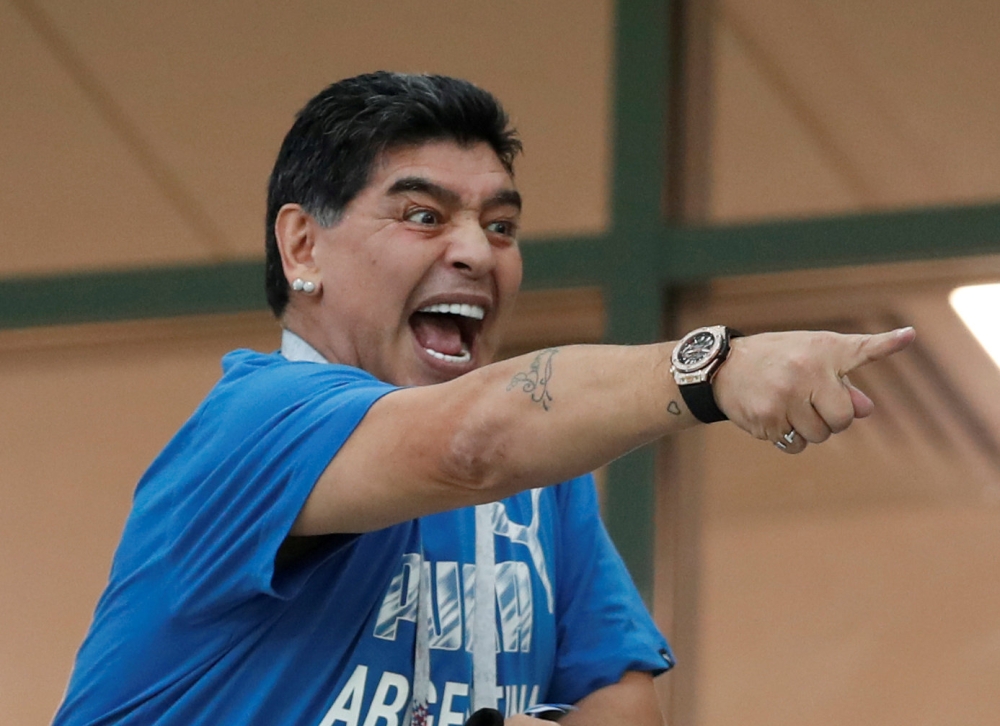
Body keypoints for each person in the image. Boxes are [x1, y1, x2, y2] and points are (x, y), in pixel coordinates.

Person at [53, 72, 914, 726]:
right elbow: (473, 442)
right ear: (302, 244)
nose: (477, 251)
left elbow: (621, 694)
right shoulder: (254, 423)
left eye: (501, 227)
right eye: (423, 216)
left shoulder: (542, 477)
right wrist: (713, 368)